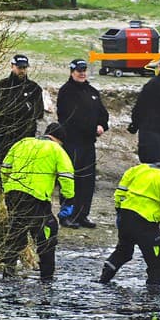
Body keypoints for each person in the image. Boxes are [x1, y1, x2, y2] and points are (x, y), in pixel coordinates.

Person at [96, 146, 160, 293]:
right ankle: (153, 298)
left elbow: (120, 192)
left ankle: (103, 280)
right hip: (146, 224)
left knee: (123, 252)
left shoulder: (138, 169)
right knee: (157, 262)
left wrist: (119, 212)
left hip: (125, 217)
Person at [0, 122, 75, 280]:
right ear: (59, 140)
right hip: (36, 197)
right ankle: (47, 276)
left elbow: (5, 168)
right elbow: (67, 176)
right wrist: (68, 198)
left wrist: (8, 187)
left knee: (16, 231)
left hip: (13, 194)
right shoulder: (56, 150)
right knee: (47, 232)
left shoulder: (22, 143)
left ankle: (8, 271)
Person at [56, 58, 110, 229]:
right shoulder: (66, 92)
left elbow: (103, 113)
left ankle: (82, 215)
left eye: (84, 70)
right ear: (72, 72)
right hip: (72, 143)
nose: (82, 73)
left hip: (88, 144)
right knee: (70, 180)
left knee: (87, 182)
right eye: (79, 70)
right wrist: (92, 128)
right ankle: (66, 215)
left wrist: (101, 125)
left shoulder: (92, 91)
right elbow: (69, 118)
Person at [0, 54, 44, 186]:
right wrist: (24, 107)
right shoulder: (1, 86)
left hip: (26, 136)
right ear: (12, 67)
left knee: (23, 169)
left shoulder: (34, 88)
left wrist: (24, 109)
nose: (22, 71)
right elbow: (3, 110)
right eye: (19, 67)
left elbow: (38, 112)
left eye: (25, 68)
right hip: (5, 135)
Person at [127, 53, 160, 163]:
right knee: (151, 161)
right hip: (149, 129)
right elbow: (140, 105)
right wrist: (135, 124)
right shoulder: (153, 84)